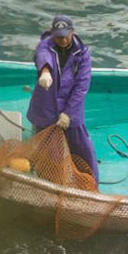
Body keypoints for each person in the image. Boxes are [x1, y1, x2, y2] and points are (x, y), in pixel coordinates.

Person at [26, 14, 99, 182]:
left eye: (66, 36)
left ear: (72, 32)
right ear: (53, 33)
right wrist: (45, 71)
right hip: (46, 108)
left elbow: (81, 86)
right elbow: (42, 55)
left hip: (71, 109)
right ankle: (49, 178)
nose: (63, 40)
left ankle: (90, 180)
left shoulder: (83, 53)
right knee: (48, 149)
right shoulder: (46, 45)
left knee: (83, 148)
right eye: (59, 37)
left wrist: (68, 113)